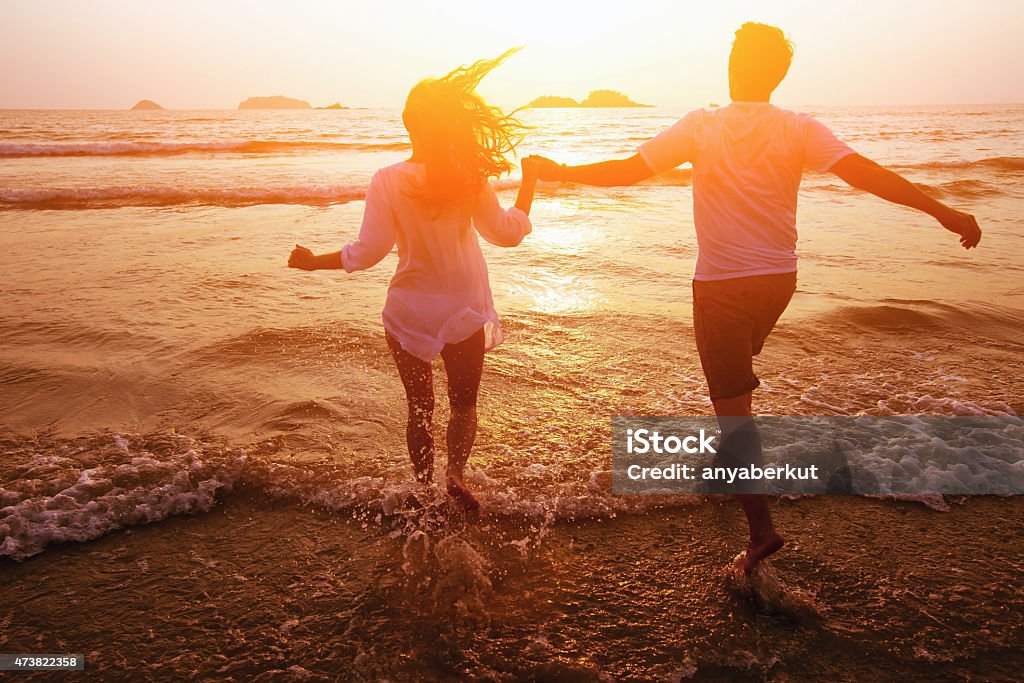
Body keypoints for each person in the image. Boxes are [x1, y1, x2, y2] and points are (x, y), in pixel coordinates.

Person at [528, 22, 981, 572]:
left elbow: (628, 171)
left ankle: (761, 532)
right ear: (778, 74)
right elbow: (866, 175)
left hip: (721, 287)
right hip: (778, 284)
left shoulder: (702, 125)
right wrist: (943, 210)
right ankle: (732, 459)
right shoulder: (798, 127)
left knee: (734, 414)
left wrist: (562, 172)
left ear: (731, 65)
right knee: (735, 388)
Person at [289, 49, 540, 512]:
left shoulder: (387, 179)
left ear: (409, 122)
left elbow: (367, 253)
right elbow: (506, 236)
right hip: (464, 308)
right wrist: (530, 184)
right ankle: (456, 476)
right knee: (463, 404)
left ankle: (424, 492)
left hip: (410, 310)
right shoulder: (468, 176)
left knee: (420, 408)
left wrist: (312, 262)